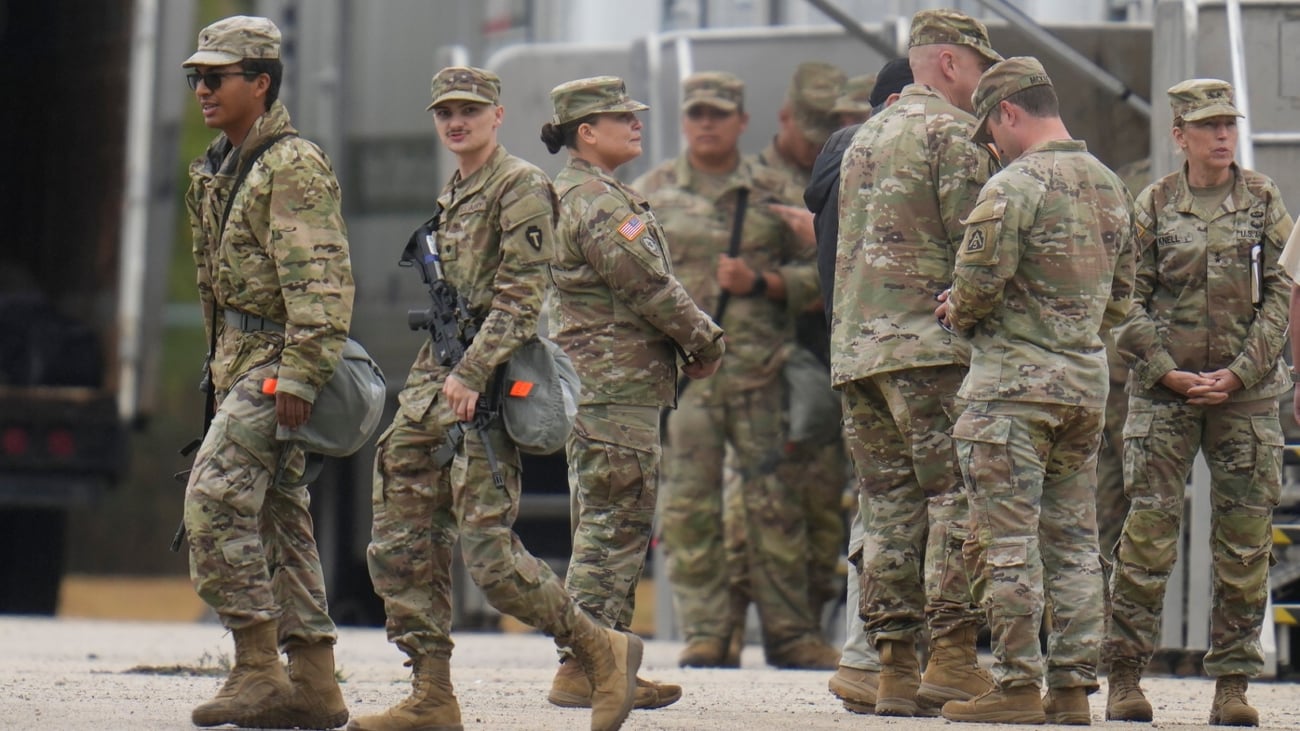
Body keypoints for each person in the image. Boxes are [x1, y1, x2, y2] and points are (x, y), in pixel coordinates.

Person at [353, 67, 641, 731]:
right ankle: (431, 692)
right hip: (437, 376)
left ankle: (600, 648)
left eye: (470, 110)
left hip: (484, 383)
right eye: (445, 111)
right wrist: (449, 372)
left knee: (489, 555)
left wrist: (474, 371)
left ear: (497, 115)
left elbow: (521, 297)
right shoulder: (455, 189)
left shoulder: (519, 186)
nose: (457, 121)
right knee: (400, 532)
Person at [935, 56, 1135, 725]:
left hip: (1013, 391)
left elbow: (977, 286)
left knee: (1008, 539)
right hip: (1083, 385)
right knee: (1074, 536)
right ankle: (1074, 687)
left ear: (1008, 114)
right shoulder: (1109, 184)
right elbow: (1121, 299)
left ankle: (1018, 683)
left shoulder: (1012, 186)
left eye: (990, 131)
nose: (992, 146)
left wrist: (955, 310)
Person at [1104, 78, 1294, 728]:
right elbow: (1125, 297)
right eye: (1208, 126)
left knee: (1243, 547)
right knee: (1148, 539)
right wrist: (1166, 370)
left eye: (1228, 124)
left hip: (1247, 398)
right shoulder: (1154, 205)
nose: (1222, 136)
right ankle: (1125, 675)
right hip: (1165, 397)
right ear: (1179, 135)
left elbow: (1282, 293)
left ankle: (1233, 683)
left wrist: (1241, 372)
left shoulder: (1264, 199)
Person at [180, 16, 351, 730]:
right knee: (282, 518)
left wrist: (304, 375)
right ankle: (312, 679)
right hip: (238, 364)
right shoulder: (220, 166)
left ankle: (257, 667)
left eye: (216, 77)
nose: (203, 89)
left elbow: (323, 282)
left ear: (261, 82)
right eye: (196, 78)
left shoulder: (291, 165)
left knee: (213, 500)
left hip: (279, 363)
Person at [631, 71, 835, 670]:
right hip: (689, 383)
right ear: (684, 120)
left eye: (720, 114)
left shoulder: (775, 191)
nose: (707, 124)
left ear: (743, 122)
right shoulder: (652, 195)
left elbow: (828, 272)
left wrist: (764, 284)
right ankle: (707, 631)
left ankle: (791, 635)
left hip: (760, 376)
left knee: (775, 506)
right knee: (689, 505)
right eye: (697, 114)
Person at [833, 8, 1000, 717]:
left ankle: (894, 664)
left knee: (890, 509)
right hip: (930, 352)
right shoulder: (955, 134)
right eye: (982, 67)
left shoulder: (864, 136)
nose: (986, 84)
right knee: (952, 501)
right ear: (953, 63)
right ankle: (955, 656)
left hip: (860, 352)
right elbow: (978, 247)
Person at [539, 74, 725, 709]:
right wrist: (705, 340)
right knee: (615, 523)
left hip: (599, 385)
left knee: (607, 520)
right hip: (613, 386)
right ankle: (583, 665)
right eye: (622, 118)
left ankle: (604, 659)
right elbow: (649, 286)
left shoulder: (574, 193)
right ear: (586, 133)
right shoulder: (596, 200)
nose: (636, 124)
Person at [803, 56, 912, 714]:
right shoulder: (886, 156)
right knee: (902, 506)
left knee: (876, 503)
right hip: (904, 350)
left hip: (853, 350)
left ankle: (863, 653)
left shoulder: (836, 161)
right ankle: (877, 655)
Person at [753, 60, 851, 640]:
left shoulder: (858, 173)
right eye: (823, 122)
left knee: (829, 512)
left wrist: (782, 280)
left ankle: (819, 632)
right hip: (780, 371)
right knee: (771, 505)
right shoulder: (757, 184)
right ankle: (788, 634)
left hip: (839, 360)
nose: (827, 134)